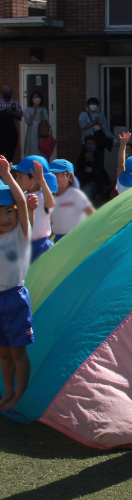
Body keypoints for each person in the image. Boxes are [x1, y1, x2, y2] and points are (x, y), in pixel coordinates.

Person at [0, 156, 34, 412]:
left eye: (9, 212)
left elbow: (22, 202)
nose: (5, 218)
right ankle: (8, 391)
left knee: (17, 352)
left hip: (15, 299)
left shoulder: (21, 233)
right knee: (3, 352)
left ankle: (21, 392)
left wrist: (6, 176)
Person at [12, 155, 56, 262]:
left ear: (35, 180)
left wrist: (42, 181)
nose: (16, 179)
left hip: (41, 246)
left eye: (20, 177)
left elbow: (50, 204)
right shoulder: (22, 194)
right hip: (23, 245)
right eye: (16, 176)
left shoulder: (41, 196)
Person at [49, 160, 94, 242]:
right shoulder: (55, 196)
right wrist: (49, 237)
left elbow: (91, 214)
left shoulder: (75, 194)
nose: (53, 177)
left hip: (74, 238)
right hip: (58, 239)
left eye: (56, 174)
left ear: (70, 176)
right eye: (51, 174)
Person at [22, 91, 49, 158]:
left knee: (40, 148)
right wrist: (35, 112)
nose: (36, 99)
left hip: (41, 131)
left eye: (38, 97)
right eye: (35, 97)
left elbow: (46, 121)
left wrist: (42, 115)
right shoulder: (28, 109)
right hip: (31, 130)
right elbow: (27, 121)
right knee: (32, 147)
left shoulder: (44, 109)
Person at [0, 85, 23, 162]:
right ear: (2, 93)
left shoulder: (15, 103)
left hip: (12, 133)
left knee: (10, 156)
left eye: (10, 93)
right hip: (1, 133)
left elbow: (21, 116)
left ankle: (8, 172)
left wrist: (16, 114)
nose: (9, 94)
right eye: (7, 93)